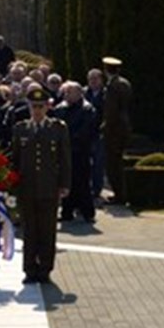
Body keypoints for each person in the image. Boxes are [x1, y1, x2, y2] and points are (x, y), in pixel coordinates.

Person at [12, 86, 71, 284]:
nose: (37, 110)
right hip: (27, 187)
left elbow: (64, 159)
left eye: (40, 106)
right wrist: (12, 186)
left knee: (47, 230)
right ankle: (29, 269)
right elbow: (15, 160)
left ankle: (45, 269)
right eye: (33, 106)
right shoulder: (21, 129)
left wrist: (64, 184)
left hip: (49, 187)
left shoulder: (57, 128)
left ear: (47, 107)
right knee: (29, 230)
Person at [55, 81, 99, 223]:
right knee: (66, 182)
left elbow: (87, 130)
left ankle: (87, 212)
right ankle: (67, 211)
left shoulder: (87, 109)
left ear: (79, 93)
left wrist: (69, 139)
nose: (66, 95)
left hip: (80, 151)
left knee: (82, 182)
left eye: (70, 92)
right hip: (64, 152)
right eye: (65, 92)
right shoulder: (60, 109)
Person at [100, 57, 132, 203]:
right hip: (124, 126)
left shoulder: (112, 86)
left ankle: (119, 194)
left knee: (113, 163)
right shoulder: (125, 83)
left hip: (114, 129)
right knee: (118, 161)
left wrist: (105, 126)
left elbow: (111, 110)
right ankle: (122, 193)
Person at [84, 68, 106, 204]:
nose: (92, 82)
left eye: (95, 79)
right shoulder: (84, 93)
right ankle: (87, 187)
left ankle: (97, 189)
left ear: (101, 80)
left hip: (99, 132)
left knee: (98, 162)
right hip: (86, 133)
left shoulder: (106, 94)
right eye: (90, 79)